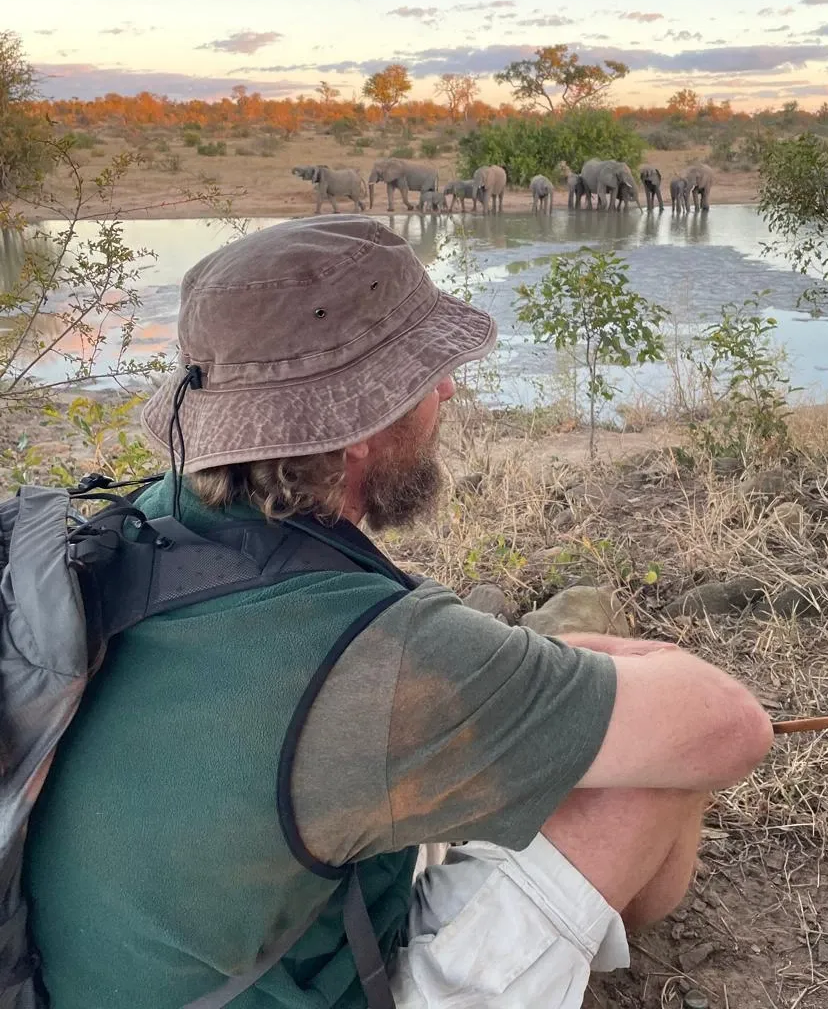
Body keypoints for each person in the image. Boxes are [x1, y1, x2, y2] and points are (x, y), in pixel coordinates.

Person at [23, 216, 773, 1009]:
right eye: (421, 376)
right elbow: (730, 727)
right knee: (650, 775)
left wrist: (528, 671)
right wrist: (601, 672)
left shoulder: (144, 524)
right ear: (357, 432)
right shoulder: (367, 654)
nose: (446, 387)